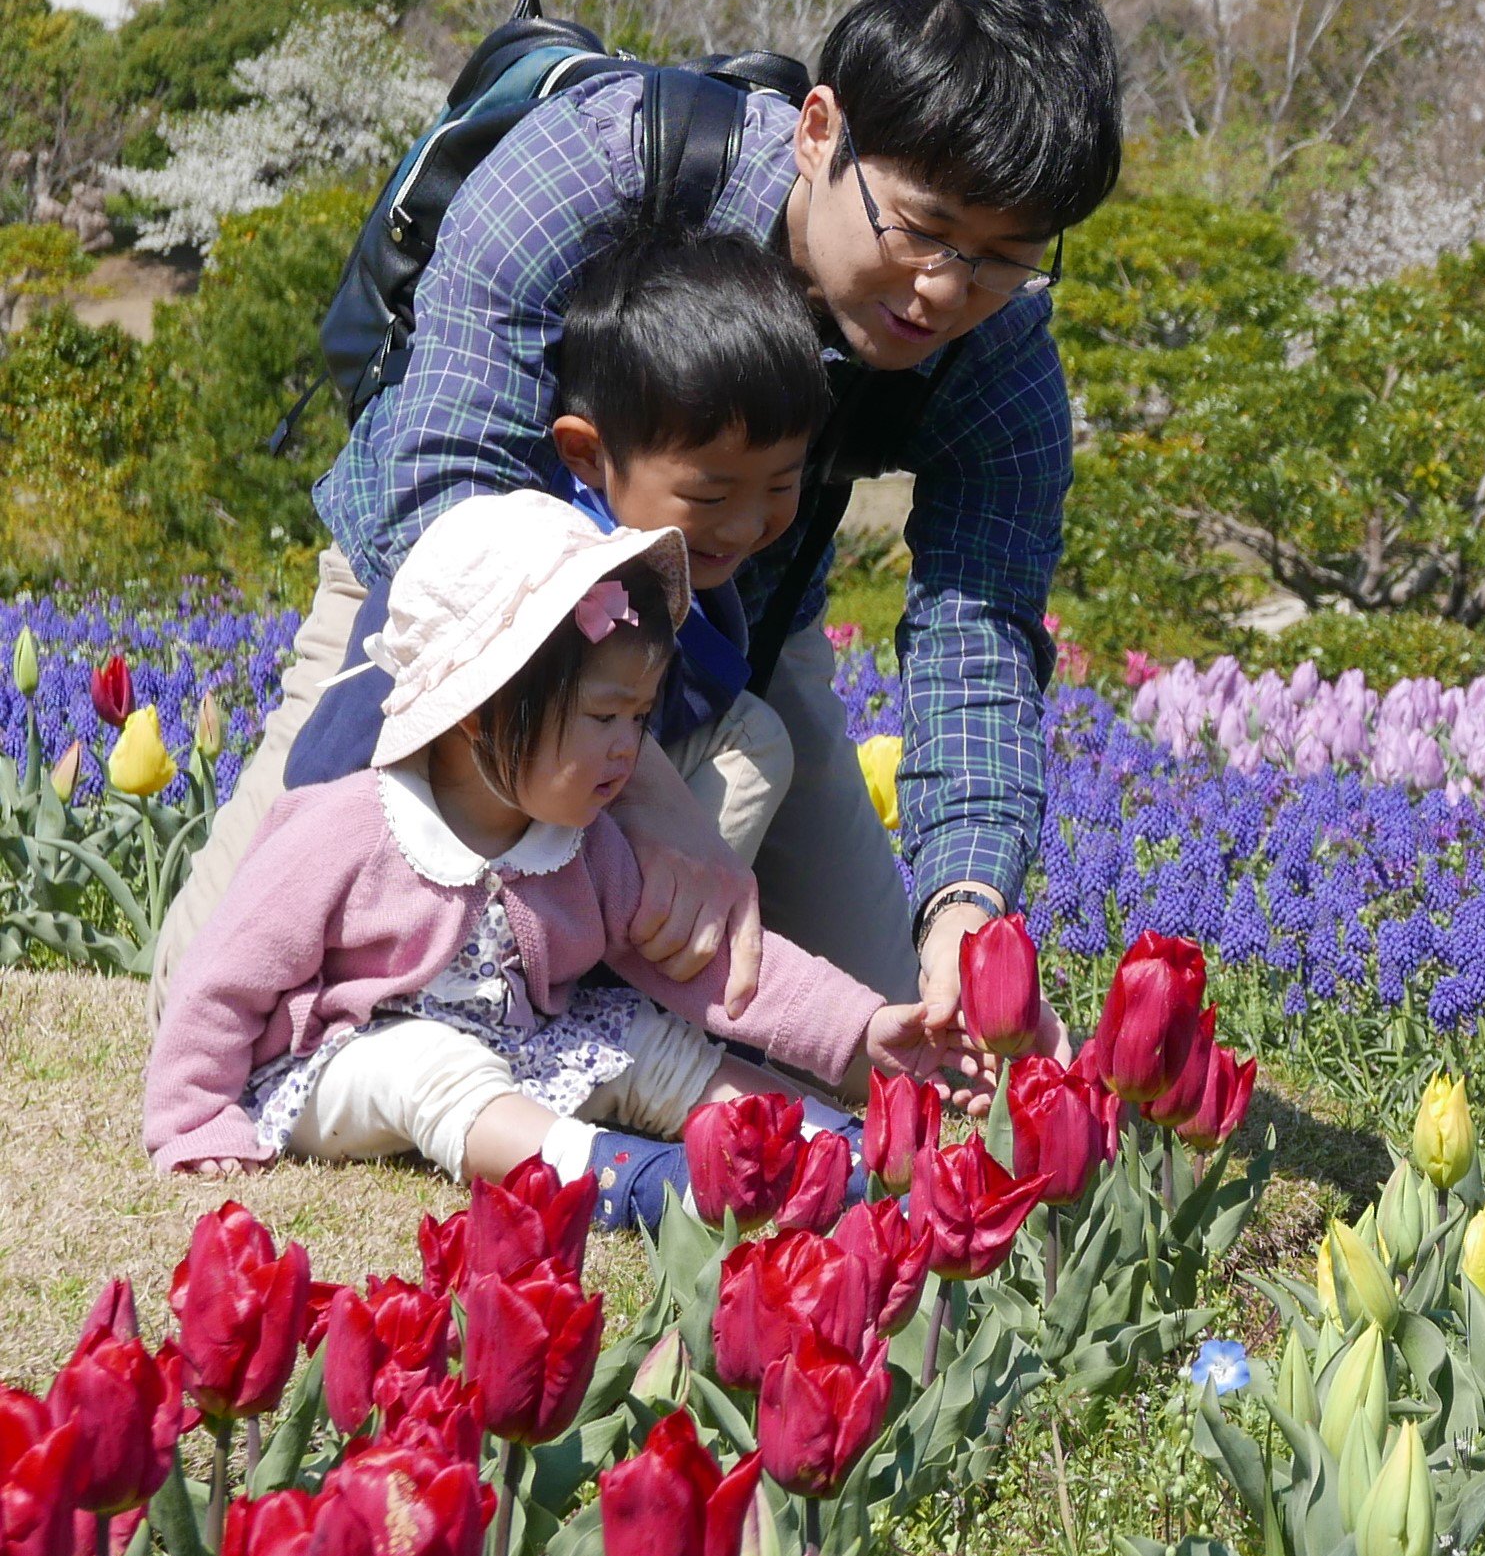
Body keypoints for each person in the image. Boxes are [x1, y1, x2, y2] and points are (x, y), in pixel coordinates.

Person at [155, 0, 1125, 1041]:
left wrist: (967, 906)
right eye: (924, 228)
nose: (948, 290)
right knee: (206, 994)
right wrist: (649, 789)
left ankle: (578, 1032)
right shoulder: (599, 169)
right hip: (433, 586)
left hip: (735, 619)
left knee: (893, 1033)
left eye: (1007, 257)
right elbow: (442, 489)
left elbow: (979, 632)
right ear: (820, 132)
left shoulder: (997, 355)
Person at [145, 494, 961, 1215]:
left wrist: (860, 1034)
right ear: (476, 710)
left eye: (639, 719)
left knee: (650, 1038)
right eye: (604, 718)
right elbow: (225, 975)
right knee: (425, 1062)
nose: (628, 751)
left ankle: (818, 1151)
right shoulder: (346, 826)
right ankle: (615, 1178)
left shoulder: (585, 846)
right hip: (342, 1068)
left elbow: (715, 963)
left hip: (523, 1056)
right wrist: (194, 1116)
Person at [280, 226, 820, 865]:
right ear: (587, 453)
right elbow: (375, 690)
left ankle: (648, 933)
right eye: (710, 497)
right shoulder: (513, 558)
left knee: (757, 734)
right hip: (417, 837)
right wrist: (313, 845)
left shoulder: (676, 568)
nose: (743, 527)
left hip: (558, 823)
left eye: (782, 485)